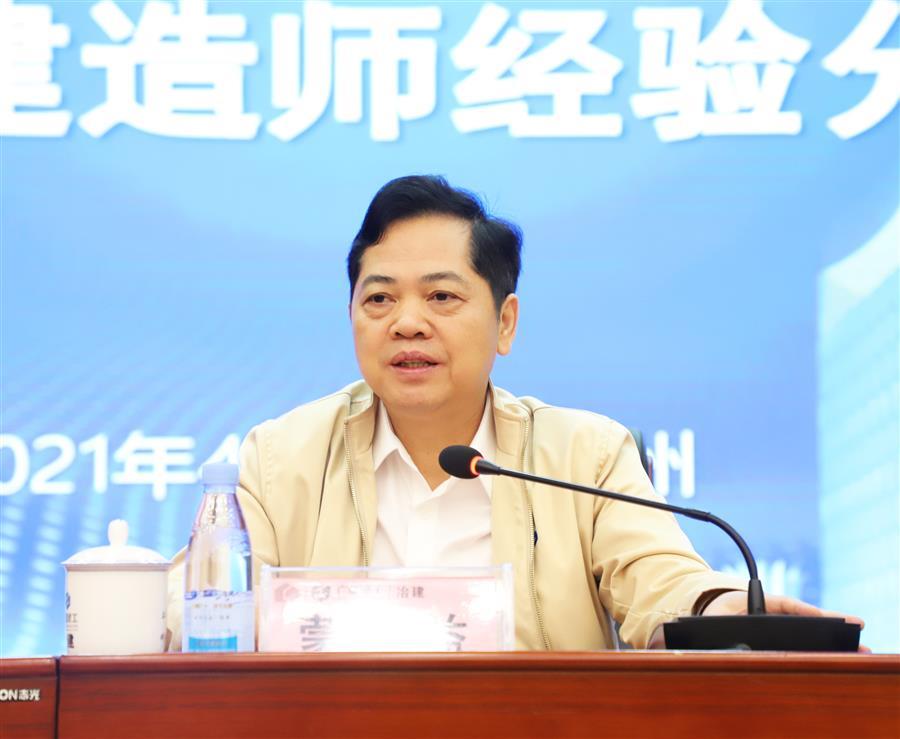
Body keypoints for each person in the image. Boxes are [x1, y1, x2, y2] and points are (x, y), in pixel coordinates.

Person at [166, 175, 862, 650]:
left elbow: (661, 578)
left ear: (505, 323)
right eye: (379, 299)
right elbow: (189, 608)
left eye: (441, 297)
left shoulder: (584, 455)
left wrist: (723, 611)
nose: (406, 322)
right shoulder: (280, 456)